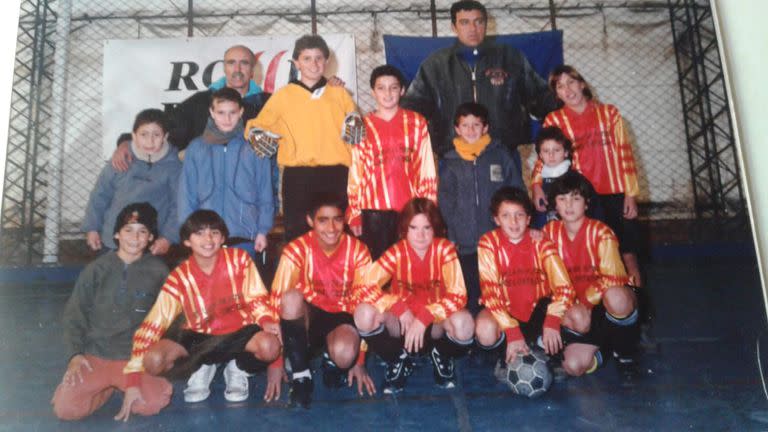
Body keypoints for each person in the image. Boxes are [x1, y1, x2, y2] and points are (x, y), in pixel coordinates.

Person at [115, 210, 281, 421]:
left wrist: (268, 327)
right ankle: (201, 365)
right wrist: (132, 381)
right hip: (199, 339)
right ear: (186, 241)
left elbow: (257, 299)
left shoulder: (239, 260)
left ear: (222, 238)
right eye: (199, 233)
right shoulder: (179, 277)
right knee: (154, 360)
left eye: (214, 233)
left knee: (270, 346)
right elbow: (152, 325)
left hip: (239, 334)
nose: (208, 239)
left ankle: (238, 368)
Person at [52, 203, 172, 420]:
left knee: (151, 404)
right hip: (96, 354)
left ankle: (129, 383)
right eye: (128, 230)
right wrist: (75, 355)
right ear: (117, 234)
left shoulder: (159, 271)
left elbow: (168, 320)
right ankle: (105, 387)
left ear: (151, 238)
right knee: (66, 411)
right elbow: (74, 314)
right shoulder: (96, 270)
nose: (134, 238)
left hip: (134, 358)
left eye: (142, 231)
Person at [401, 0, 556, 164]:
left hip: (504, 156)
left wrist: (568, 102)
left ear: (486, 24)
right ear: (454, 27)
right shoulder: (435, 65)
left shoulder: (511, 58)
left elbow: (541, 99)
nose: (472, 29)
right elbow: (411, 111)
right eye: (464, 22)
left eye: (478, 22)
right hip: (452, 159)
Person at [531, 65, 643, 288]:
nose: (568, 90)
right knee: (592, 255)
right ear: (557, 94)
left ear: (582, 84)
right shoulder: (555, 120)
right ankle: (601, 307)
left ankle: (636, 308)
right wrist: (536, 185)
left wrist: (630, 195)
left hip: (615, 193)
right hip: (580, 197)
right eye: (560, 87)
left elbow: (625, 153)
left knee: (626, 254)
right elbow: (544, 155)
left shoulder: (610, 114)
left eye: (571, 82)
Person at [245, 35, 363, 241]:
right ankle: (299, 274)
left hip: (336, 174)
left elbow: (356, 132)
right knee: (298, 236)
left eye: (318, 58)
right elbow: (257, 125)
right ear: (296, 63)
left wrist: (356, 124)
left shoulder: (340, 94)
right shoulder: (283, 96)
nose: (313, 64)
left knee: (336, 236)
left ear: (327, 62)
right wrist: (255, 134)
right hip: (298, 176)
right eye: (307, 58)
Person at [354, 198, 475, 393]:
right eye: (413, 228)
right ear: (404, 229)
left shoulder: (445, 250)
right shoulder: (397, 252)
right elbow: (363, 285)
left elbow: (458, 295)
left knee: (465, 324)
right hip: (403, 323)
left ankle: (441, 354)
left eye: (426, 228)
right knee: (363, 314)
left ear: (435, 228)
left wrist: (426, 316)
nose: (420, 235)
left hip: (434, 325)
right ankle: (397, 359)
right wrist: (398, 308)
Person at [268, 194, 376, 408]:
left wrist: (359, 360)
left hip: (342, 316)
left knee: (344, 355)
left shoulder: (358, 251)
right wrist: (276, 362)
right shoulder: (296, 250)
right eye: (323, 220)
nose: (332, 227)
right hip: (310, 315)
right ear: (310, 221)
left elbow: (368, 303)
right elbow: (275, 301)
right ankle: (301, 375)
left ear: (344, 220)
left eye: (337, 219)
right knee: (289, 299)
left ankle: (331, 357)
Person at [542, 171, 640, 382]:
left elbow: (613, 278)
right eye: (562, 199)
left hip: (601, 308)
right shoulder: (547, 233)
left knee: (618, 297)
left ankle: (625, 353)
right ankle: (604, 348)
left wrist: (586, 302)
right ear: (555, 205)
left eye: (576, 198)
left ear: (586, 203)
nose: (569, 205)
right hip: (574, 310)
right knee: (573, 366)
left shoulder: (601, 233)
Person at [473, 187, 574, 371]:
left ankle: (545, 345)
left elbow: (565, 287)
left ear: (529, 219)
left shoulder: (541, 242)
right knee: (484, 329)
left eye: (519, 215)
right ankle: (507, 352)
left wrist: (552, 320)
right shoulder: (488, 243)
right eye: (506, 215)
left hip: (539, 311)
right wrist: (511, 331)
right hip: (506, 311)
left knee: (578, 316)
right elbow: (490, 292)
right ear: (496, 219)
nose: (513, 222)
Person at [439, 102, 523, 315]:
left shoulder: (500, 155)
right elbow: (445, 201)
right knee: (471, 293)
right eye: (465, 125)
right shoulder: (449, 161)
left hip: (496, 240)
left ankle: (501, 333)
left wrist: (511, 228)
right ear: (457, 129)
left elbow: (516, 192)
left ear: (485, 128)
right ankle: (474, 334)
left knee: (497, 292)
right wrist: (451, 234)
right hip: (464, 242)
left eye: (476, 125)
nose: (470, 130)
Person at [347, 64, 438, 259]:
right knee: (378, 269)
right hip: (374, 211)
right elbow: (356, 171)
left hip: (410, 209)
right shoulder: (360, 125)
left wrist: (429, 208)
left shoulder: (417, 122)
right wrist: (354, 212)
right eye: (381, 88)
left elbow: (426, 168)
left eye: (393, 87)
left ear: (402, 90)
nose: (387, 93)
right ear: (372, 92)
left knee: (408, 268)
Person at [178, 87, 274, 260]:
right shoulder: (196, 148)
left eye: (232, 112)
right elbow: (187, 194)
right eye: (221, 112)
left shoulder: (255, 146)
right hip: (205, 239)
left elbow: (265, 192)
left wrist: (263, 230)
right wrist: (188, 233)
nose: (227, 119)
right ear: (212, 113)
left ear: (241, 112)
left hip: (245, 236)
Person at [82, 109, 181, 255]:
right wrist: (92, 228)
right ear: (134, 136)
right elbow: (100, 196)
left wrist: (168, 238)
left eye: (156, 135)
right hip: (112, 241)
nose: (150, 141)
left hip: (151, 245)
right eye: (144, 134)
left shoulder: (174, 168)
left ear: (165, 136)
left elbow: (178, 206)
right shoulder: (120, 160)